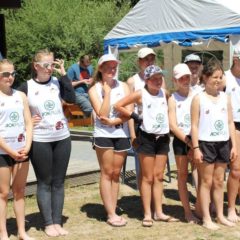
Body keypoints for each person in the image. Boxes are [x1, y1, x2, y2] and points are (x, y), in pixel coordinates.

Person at [18, 49, 75, 237]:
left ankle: (57, 222)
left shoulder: (58, 82)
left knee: (59, 182)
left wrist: (64, 74)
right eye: (46, 65)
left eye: (52, 64)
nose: (50, 68)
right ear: (36, 66)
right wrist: (26, 122)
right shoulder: (25, 87)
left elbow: (72, 99)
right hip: (40, 140)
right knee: (45, 182)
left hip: (62, 138)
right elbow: (13, 108)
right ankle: (48, 223)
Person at [115, 65, 178, 227]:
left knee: (158, 176)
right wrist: (136, 117)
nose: (158, 81)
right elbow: (118, 105)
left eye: (160, 78)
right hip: (147, 138)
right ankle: (147, 213)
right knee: (147, 177)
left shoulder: (165, 93)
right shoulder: (140, 94)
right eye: (154, 78)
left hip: (163, 138)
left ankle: (159, 212)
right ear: (147, 80)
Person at [191, 59, 237, 230]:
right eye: (214, 77)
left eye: (220, 77)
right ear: (205, 77)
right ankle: (206, 218)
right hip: (206, 144)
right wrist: (196, 148)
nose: (217, 80)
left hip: (223, 143)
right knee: (206, 182)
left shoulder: (226, 97)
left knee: (219, 181)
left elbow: (230, 122)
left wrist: (234, 146)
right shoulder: (198, 98)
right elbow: (194, 125)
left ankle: (219, 215)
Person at [88, 53, 131, 227]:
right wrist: (107, 93)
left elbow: (129, 112)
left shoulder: (125, 86)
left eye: (114, 66)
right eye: (108, 66)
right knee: (106, 172)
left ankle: (113, 208)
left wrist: (115, 121)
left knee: (115, 173)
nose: (112, 69)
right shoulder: (94, 89)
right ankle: (111, 213)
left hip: (121, 133)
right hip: (103, 135)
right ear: (100, 68)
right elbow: (102, 114)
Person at [0, 59, 33, 240]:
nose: (10, 77)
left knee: (20, 192)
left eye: (13, 73)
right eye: (5, 74)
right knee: (3, 193)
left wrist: (27, 146)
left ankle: (21, 232)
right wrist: (10, 151)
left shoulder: (21, 96)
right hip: (3, 153)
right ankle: (3, 233)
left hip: (21, 151)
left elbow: (28, 123)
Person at [168, 63, 199, 223]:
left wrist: (195, 143)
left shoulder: (198, 94)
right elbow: (173, 125)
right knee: (182, 175)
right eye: (181, 78)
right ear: (175, 80)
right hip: (182, 140)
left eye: (187, 76)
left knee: (200, 173)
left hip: (197, 139)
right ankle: (187, 212)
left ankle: (201, 206)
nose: (185, 80)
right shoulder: (173, 99)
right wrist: (188, 141)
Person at [126, 47, 158, 187]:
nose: (149, 62)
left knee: (156, 169)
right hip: (140, 127)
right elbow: (129, 110)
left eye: (151, 59)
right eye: (146, 59)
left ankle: (155, 200)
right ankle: (144, 200)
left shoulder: (158, 79)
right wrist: (133, 135)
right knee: (142, 167)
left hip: (157, 128)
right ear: (139, 62)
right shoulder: (132, 81)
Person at [224, 46, 240, 222]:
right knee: (235, 170)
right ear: (236, 59)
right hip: (232, 126)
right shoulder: (225, 78)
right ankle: (230, 208)